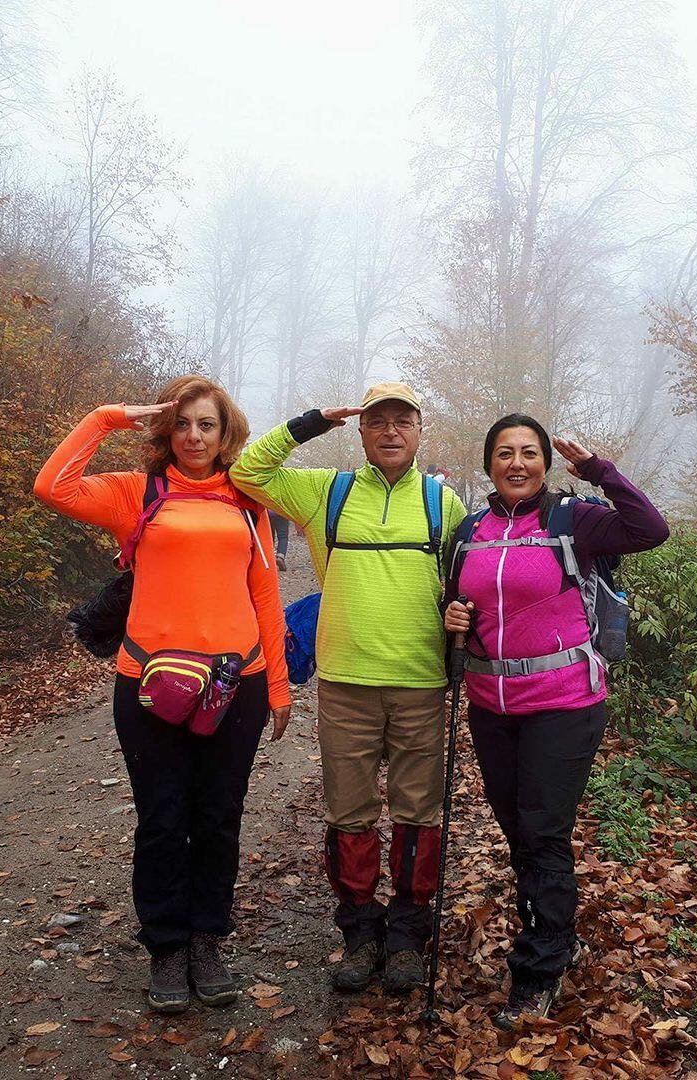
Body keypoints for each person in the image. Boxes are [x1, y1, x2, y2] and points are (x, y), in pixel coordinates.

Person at [33, 377, 291, 1014]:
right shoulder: (136, 494)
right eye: (182, 425)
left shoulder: (248, 501)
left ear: (225, 433)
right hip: (149, 682)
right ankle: (167, 947)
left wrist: (280, 684)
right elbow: (52, 486)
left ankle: (208, 939)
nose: (195, 437)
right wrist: (105, 417)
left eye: (206, 425)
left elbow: (264, 594)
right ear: (166, 432)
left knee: (218, 816)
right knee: (162, 817)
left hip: (239, 684)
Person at [230, 382, 467, 994]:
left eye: (402, 420)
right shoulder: (325, 492)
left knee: (419, 815)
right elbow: (248, 470)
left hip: (421, 685)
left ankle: (409, 934)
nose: (390, 431)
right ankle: (360, 934)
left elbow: (467, 592)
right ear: (361, 432)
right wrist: (311, 422)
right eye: (378, 421)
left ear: (420, 429)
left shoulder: (446, 506)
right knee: (350, 816)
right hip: (344, 686)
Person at [443, 413, 668, 1030]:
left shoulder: (575, 520)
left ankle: (539, 968)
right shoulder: (469, 531)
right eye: (504, 454)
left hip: (564, 703)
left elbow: (650, 529)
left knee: (542, 833)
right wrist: (452, 620)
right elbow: (460, 604)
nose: (517, 464)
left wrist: (597, 469)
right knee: (519, 831)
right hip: (491, 706)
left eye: (529, 453)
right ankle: (552, 931)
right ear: (488, 463)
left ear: (545, 461)